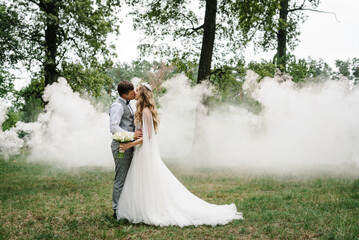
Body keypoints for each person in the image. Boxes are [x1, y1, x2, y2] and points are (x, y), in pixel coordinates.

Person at [118, 82, 243, 227]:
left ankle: (152, 209)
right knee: (144, 181)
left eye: (138, 89)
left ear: (143, 93)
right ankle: (141, 209)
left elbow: (149, 136)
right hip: (140, 151)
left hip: (144, 152)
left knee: (148, 180)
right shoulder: (140, 109)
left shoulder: (146, 111)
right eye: (135, 89)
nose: (135, 91)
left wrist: (129, 144)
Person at [109, 81, 142, 219]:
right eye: (132, 92)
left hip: (129, 145)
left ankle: (125, 207)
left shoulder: (128, 104)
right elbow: (114, 128)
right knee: (121, 178)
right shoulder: (117, 106)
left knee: (129, 177)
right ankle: (116, 210)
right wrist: (132, 135)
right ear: (124, 94)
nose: (134, 93)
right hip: (121, 147)